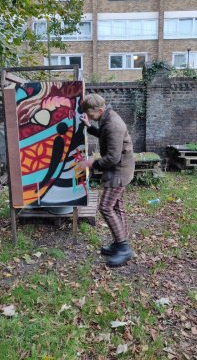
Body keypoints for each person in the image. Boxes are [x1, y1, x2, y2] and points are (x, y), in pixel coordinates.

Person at [78, 94, 135, 267]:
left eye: (91, 115)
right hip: (119, 168)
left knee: (106, 207)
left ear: (100, 110)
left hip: (119, 171)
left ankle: (124, 248)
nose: (90, 117)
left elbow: (112, 158)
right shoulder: (107, 117)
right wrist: (89, 126)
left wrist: (91, 163)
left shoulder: (113, 124)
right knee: (116, 207)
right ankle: (120, 243)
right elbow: (103, 134)